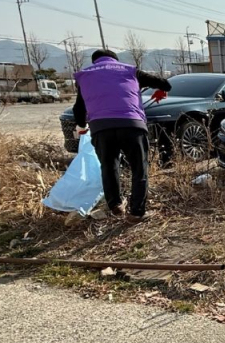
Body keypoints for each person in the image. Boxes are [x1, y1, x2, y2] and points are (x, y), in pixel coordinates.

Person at [73, 50, 171, 222]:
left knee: (108, 167)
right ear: (115, 60)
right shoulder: (129, 70)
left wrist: (81, 126)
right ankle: (136, 212)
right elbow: (165, 84)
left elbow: (78, 108)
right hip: (132, 124)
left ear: (95, 62)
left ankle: (115, 205)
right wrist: (161, 90)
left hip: (101, 128)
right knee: (139, 168)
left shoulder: (85, 76)